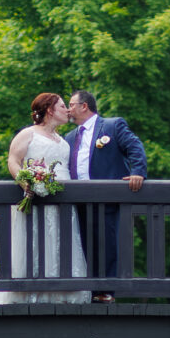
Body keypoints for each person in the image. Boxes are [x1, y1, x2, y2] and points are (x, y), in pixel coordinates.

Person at [0, 93, 88, 304]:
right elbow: (13, 161)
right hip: (36, 199)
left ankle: (62, 293)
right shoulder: (28, 134)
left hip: (63, 201)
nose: (67, 110)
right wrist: (26, 181)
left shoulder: (63, 141)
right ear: (50, 110)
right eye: (63, 106)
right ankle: (25, 293)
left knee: (61, 240)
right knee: (33, 241)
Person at [62, 91, 147, 302]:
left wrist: (138, 172)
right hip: (77, 199)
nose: (68, 109)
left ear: (84, 106)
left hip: (105, 196)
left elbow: (134, 147)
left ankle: (105, 291)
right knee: (82, 243)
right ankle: (86, 290)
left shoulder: (111, 125)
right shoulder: (70, 137)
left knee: (107, 243)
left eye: (71, 104)